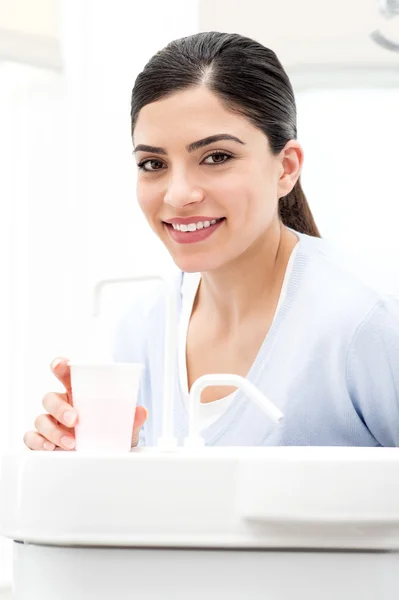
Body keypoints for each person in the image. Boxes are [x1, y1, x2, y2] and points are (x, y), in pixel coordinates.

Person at [24, 31, 399, 451]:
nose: (178, 194)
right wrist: (108, 462)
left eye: (217, 157)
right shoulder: (143, 329)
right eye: (153, 163)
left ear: (286, 168)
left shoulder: (367, 322)